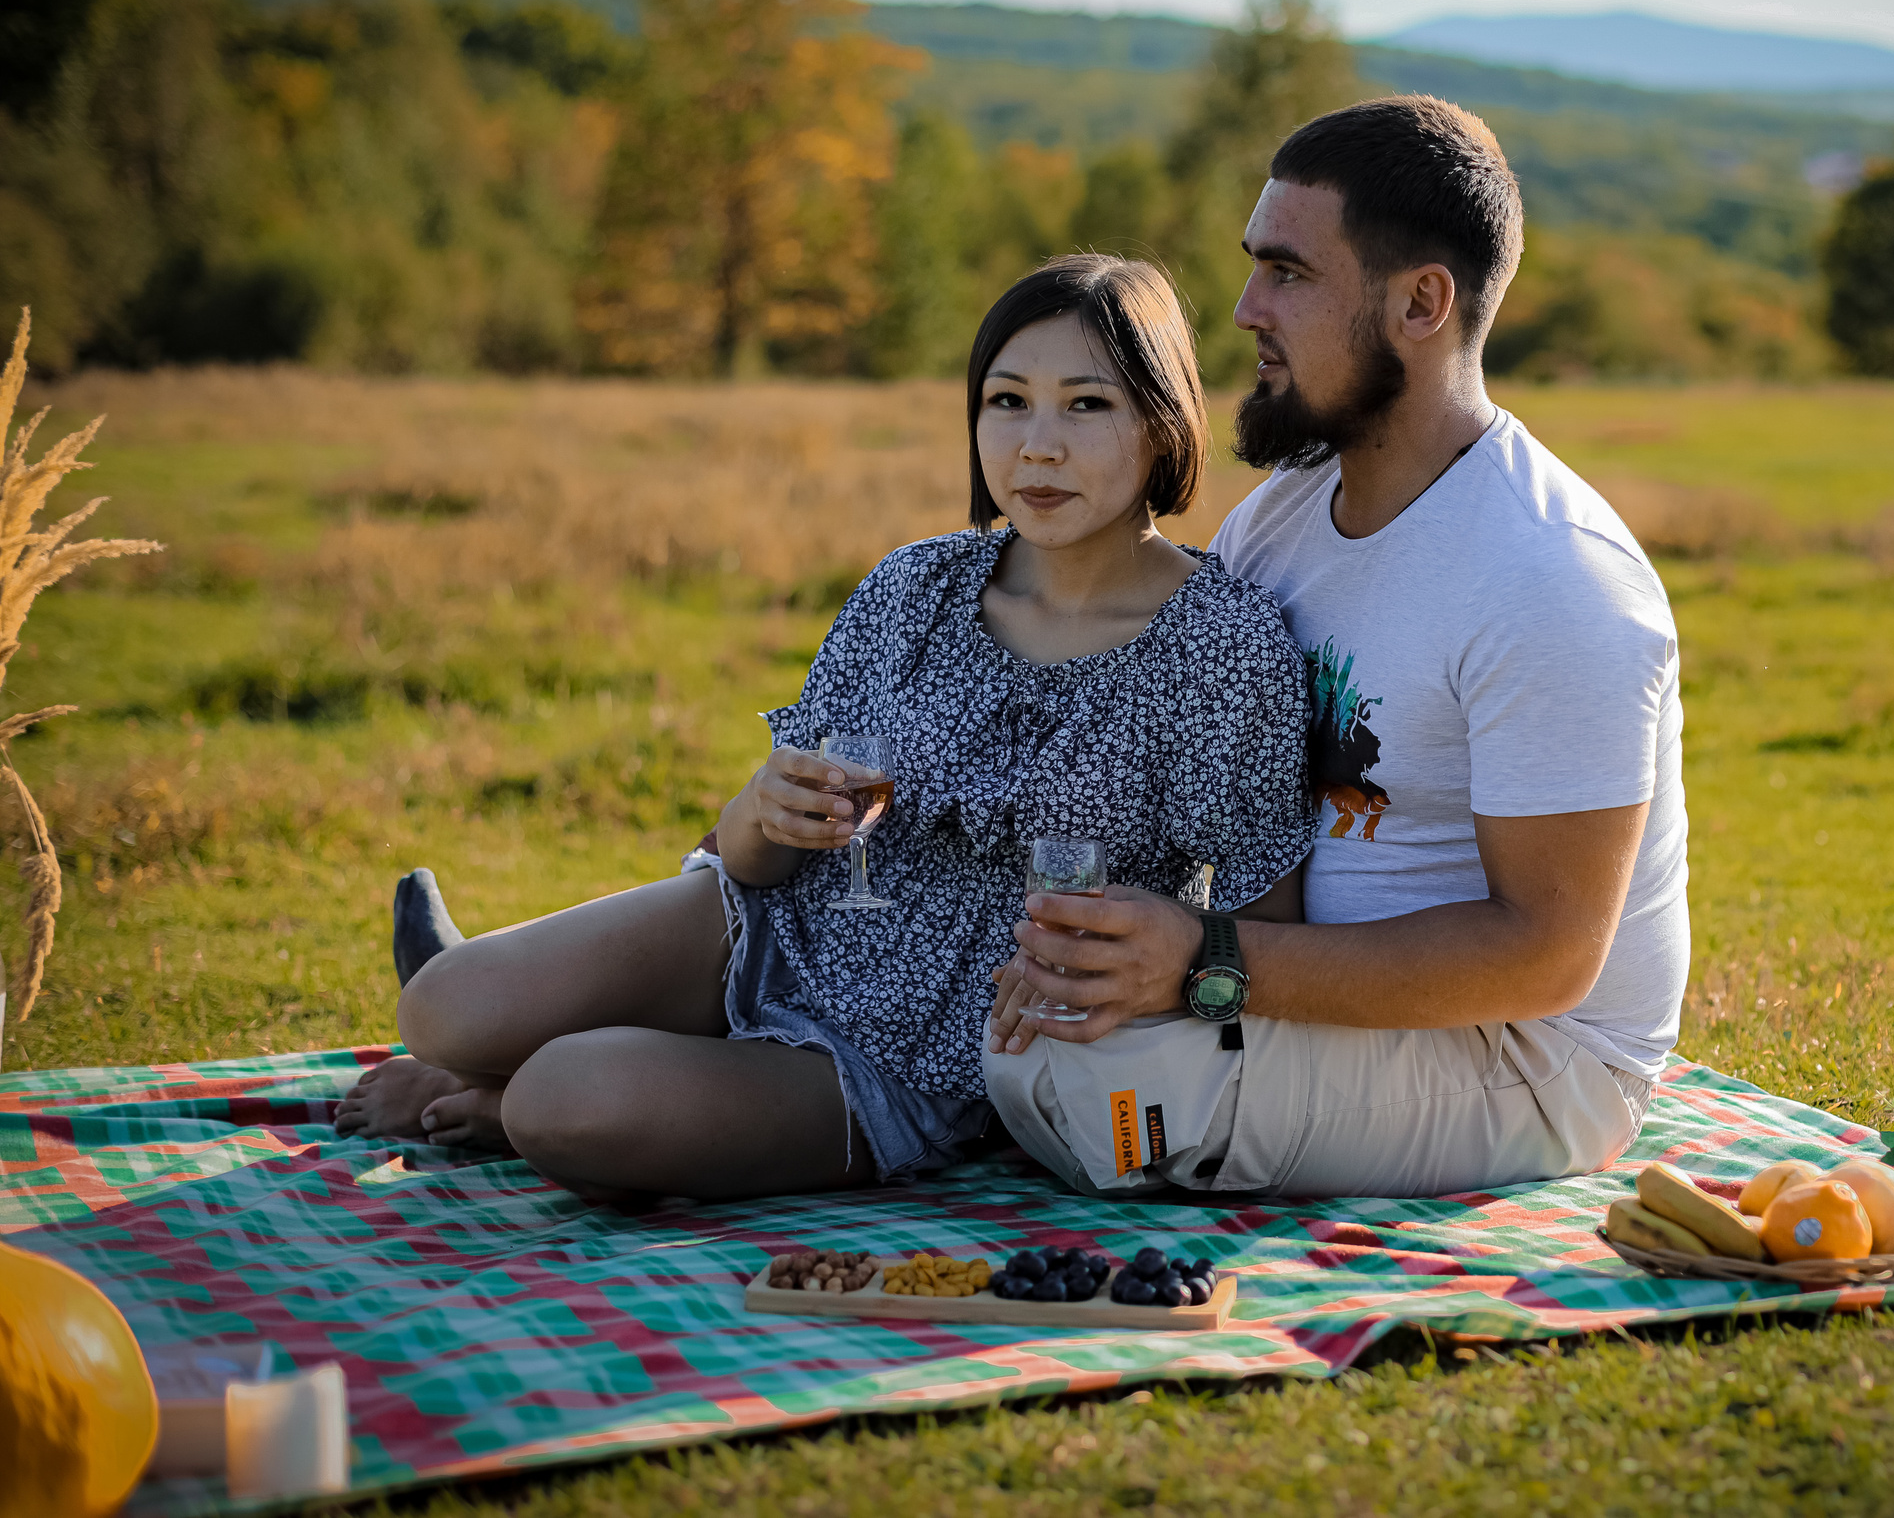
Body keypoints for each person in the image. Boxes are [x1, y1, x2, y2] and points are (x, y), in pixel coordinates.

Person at [334, 255, 1314, 1200]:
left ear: (1161, 419)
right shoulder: (915, 585)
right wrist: (762, 810)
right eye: (1006, 401)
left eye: (1086, 405)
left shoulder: (1221, 646)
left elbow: (1262, 937)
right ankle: (496, 1040)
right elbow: (755, 852)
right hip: (772, 924)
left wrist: (1151, 973)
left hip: (919, 1057)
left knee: (565, 1097)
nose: (1037, 444)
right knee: (441, 1009)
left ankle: (512, 1098)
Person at [983, 96, 1689, 1201]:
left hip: (1527, 1061)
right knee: (1020, 1015)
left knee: (1098, 1091)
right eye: (1254, 267)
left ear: (1421, 302)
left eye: (1289, 273)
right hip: (1295, 997)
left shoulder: (1552, 578)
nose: (1243, 307)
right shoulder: (1282, 518)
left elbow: (1547, 957)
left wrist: (1203, 966)